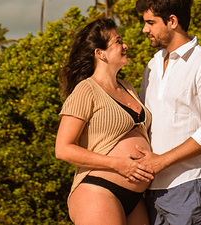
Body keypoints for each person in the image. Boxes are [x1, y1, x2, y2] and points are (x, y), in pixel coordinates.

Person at [134, 0, 201, 225]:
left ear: (172, 21)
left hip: (191, 186)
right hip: (153, 192)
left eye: (150, 22)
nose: (145, 30)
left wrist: (161, 161)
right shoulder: (153, 64)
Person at [56, 18, 155, 225]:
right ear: (100, 53)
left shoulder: (128, 87)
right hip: (99, 188)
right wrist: (118, 164)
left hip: (135, 198)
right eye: (118, 41)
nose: (125, 45)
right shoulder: (86, 89)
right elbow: (63, 149)